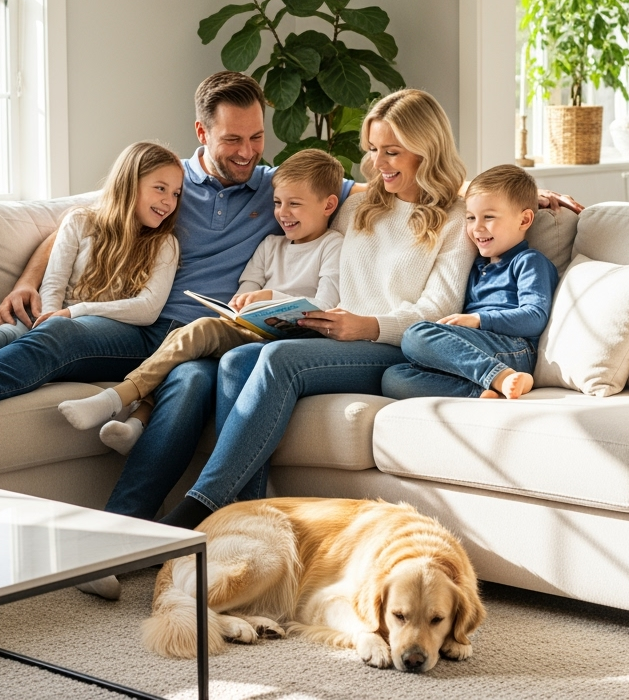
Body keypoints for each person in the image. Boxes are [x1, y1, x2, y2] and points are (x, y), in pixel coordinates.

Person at [156, 88, 477, 531]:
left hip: (390, 344)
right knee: (234, 361)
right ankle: (249, 525)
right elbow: (303, 210)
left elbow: (438, 309)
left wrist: (366, 324)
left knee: (278, 358)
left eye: (392, 152)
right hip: (331, 334)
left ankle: (202, 507)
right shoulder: (363, 206)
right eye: (373, 150)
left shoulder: (457, 218)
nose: (379, 163)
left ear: (427, 149)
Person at [57, 148, 345, 454]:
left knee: (199, 330)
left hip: (296, 337)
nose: (282, 213)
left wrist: (269, 296)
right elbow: (247, 288)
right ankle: (138, 421)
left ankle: (115, 398)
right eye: (277, 203)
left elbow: (324, 304)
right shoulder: (270, 244)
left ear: (328, 205)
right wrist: (243, 301)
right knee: (184, 347)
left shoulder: (332, 246)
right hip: (251, 328)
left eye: (294, 204)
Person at [0, 141, 184, 431]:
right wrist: (48, 316)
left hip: (121, 331)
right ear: (128, 183)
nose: (169, 202)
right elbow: (54, 283)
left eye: (176, 193)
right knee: (10, 331)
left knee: (57, 330)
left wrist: (73, 314)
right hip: (62, 320)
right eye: (160, 188)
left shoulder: (165, 244)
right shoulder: (80, 221)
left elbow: (147, 309)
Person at [381, 164, 559, 401]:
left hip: (515, 349)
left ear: (524, 220)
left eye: (489, 217)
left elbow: (534, 317)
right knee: (393, 378)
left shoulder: (528, 261)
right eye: (471, 218)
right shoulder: (475, 265)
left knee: (415, 334)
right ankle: (484, 391)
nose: (477, 227)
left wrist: (478, 320)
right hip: (475, 349)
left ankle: (499, 375)